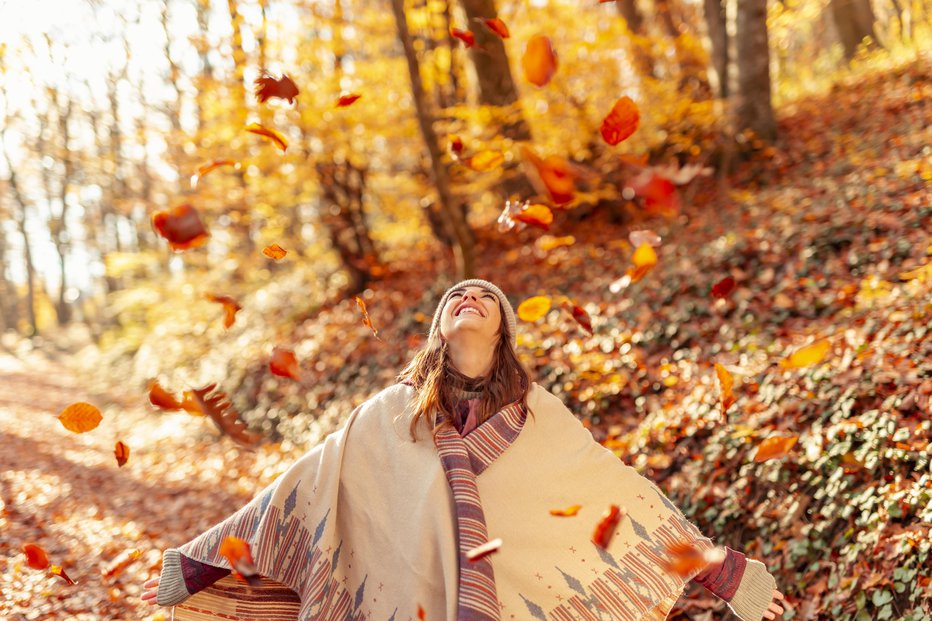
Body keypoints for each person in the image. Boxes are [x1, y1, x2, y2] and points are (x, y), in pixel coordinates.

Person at [142, 279, 787, 621]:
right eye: (454, 297)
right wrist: (198, 563)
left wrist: (727, 574)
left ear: (503, 328)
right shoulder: (389, 415)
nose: (467, 298)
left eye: (484, 297)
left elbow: (620, 498)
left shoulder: (540, 417)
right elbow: (304, 490)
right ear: (438, 330)